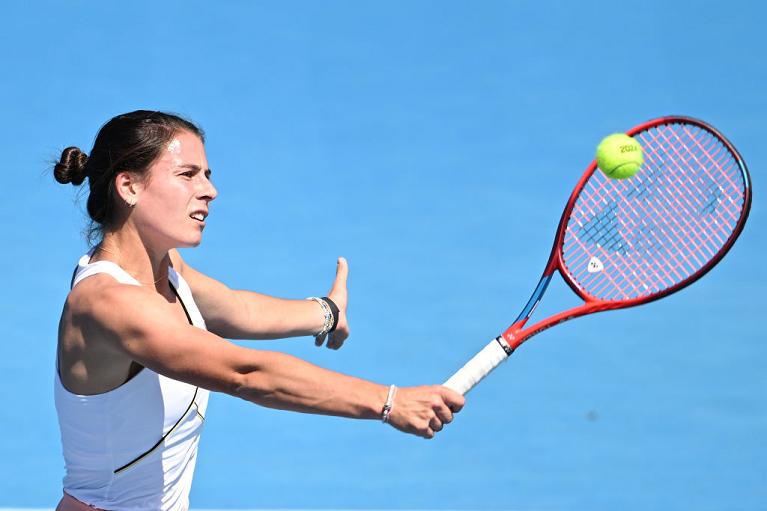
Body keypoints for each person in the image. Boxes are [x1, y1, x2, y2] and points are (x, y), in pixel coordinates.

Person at [52, 110, 464, 511]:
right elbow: (246, 374)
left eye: (208, 176)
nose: (210, 190)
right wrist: (388, 402)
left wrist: (327, 312)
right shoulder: (107, 304)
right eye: (187, 174)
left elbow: (237, 309)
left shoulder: (167, 270)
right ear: (129, 186)